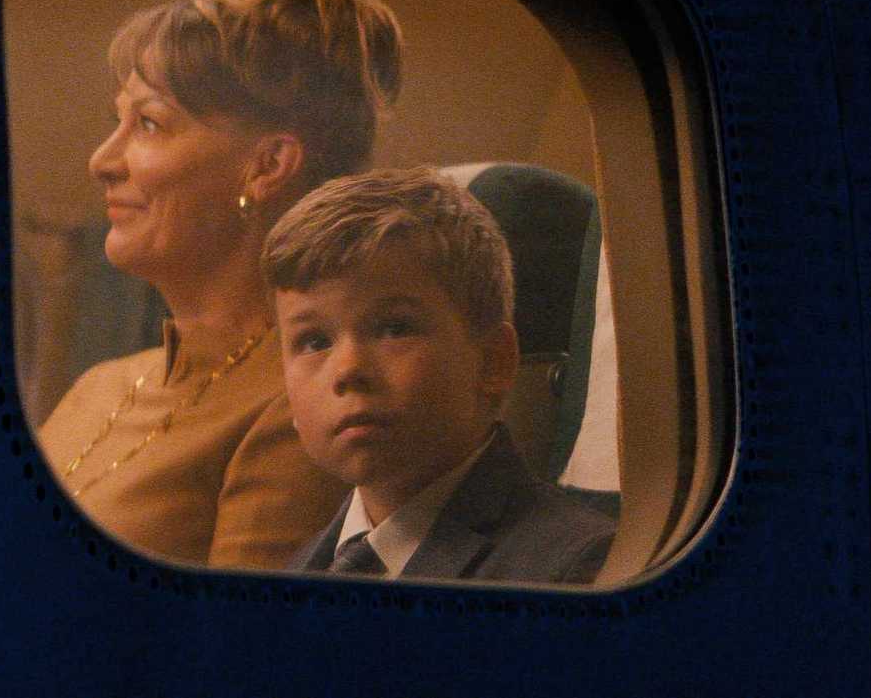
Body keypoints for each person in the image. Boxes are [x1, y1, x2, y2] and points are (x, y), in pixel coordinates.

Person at [34, 0, 405, 569]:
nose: (103, 159)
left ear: (267, 166)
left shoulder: (303, 407)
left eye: (148, 124)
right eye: (117, 121)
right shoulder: (96, 385)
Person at [263, 167, 616, 583]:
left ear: (493, 362)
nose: (347, 370)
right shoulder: (298, 570)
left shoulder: (577, 567)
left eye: (395, 328)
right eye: (314, 341)